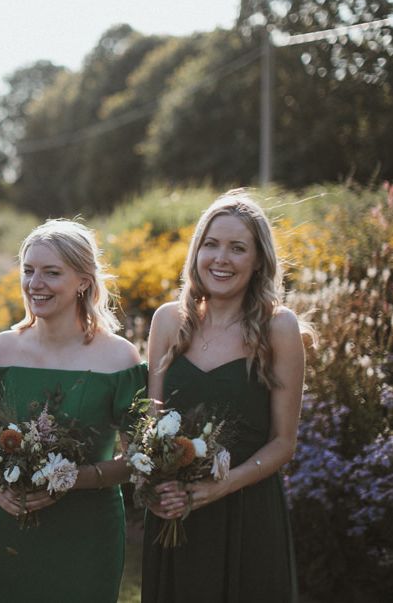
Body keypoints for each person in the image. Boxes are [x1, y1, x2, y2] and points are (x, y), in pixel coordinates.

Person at [141, 191, 307, 603]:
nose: (221, 258)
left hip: (248, 512)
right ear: (196, 251)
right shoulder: (167, 321)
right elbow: (148, 426)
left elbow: (284, 443)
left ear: (258, 261)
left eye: (237, 248)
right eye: (211, 244)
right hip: (175, 511)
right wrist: (153, 488)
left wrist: (221, 486)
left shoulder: (279, 328)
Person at [0, 219, 146, 603]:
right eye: (29, 270)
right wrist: (0, 486)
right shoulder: (0, 352)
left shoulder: (119, 358)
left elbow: (137, 459)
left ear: (83, 281)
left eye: (52, 272)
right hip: (13, 523)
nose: (36, 283)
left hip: (89, 530)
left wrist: (70, 479)